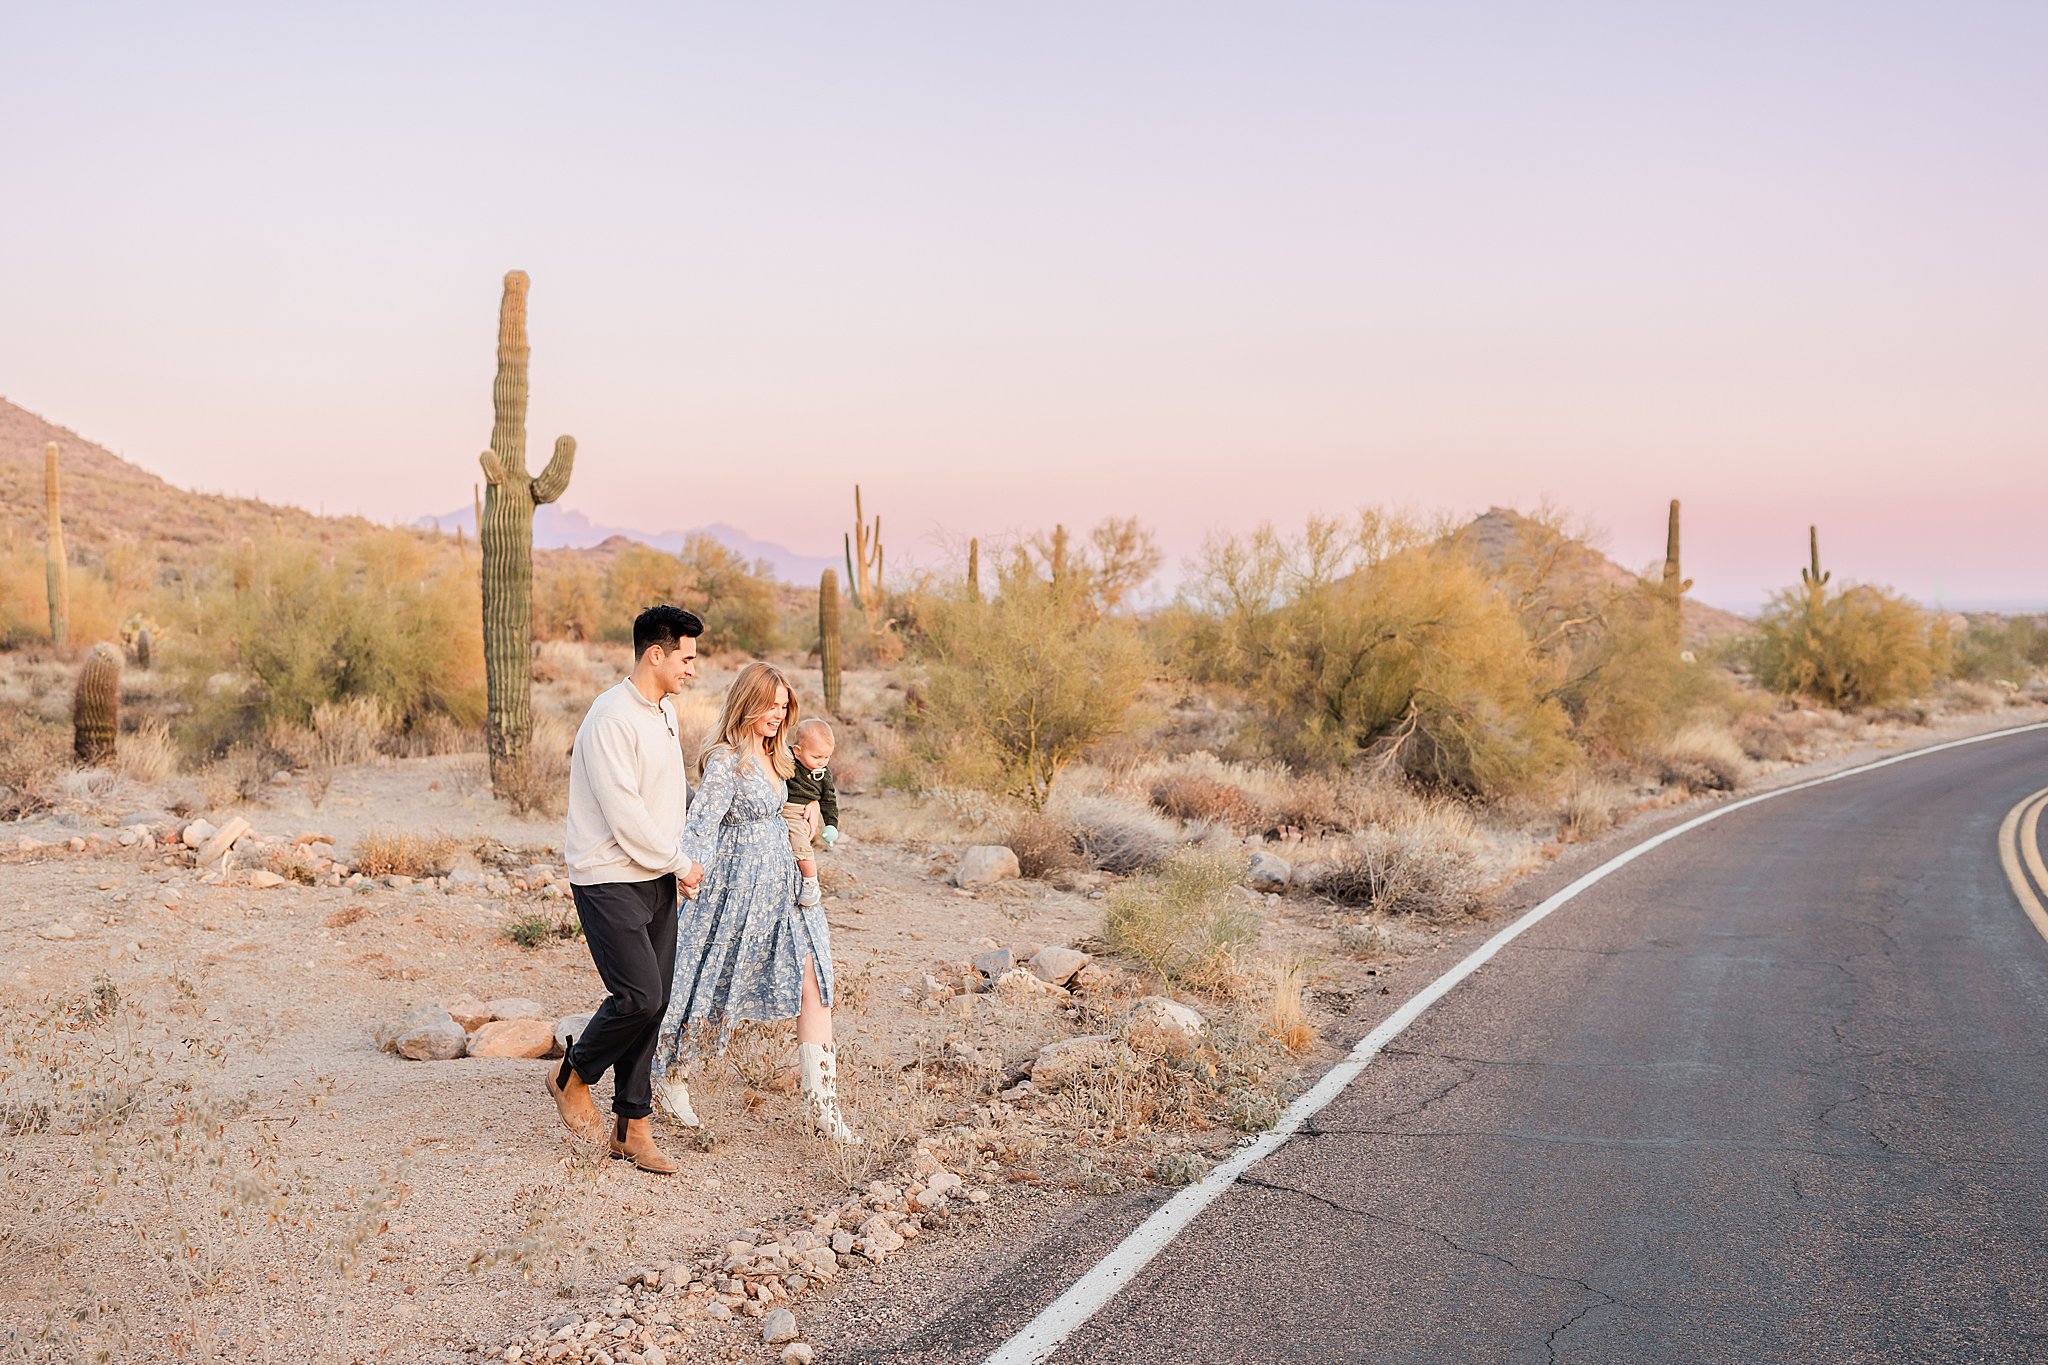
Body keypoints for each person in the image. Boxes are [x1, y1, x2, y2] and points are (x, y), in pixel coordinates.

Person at [650, 661, 860, 1144]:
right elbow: (701, 823)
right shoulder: (727, 761)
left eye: (784, 706)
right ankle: (671, 1074)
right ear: (747, 702)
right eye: (770, 704)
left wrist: (810, 816)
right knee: (709, 984)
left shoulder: (780, 754)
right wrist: (688, 874)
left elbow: (803, 798)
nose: (778, 713)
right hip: (734, 891)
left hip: (785, 888)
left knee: (816, 979)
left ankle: (824, 1106)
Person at [547, 604, 706, 1176]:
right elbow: (624, 813)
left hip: (655, 876)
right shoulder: (611, 716)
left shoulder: (662, 712)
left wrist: (678, 861)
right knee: (638, 995)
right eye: (686, 658)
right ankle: (573, 1074)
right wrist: (681, 862)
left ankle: (631, 1128)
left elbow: (664, 798)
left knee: (655, 1003)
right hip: (608, 875)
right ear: (655, 654)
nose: (692, 669)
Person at [781, 717, 841, 908]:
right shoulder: (789, 759)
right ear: (798, 751)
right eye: (816, 757)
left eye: (826, 757)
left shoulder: (824, 774)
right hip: (782, 807)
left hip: (799, 814)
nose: (822, 762)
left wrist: (831, 824)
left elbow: (829, 800)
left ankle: (810, 882)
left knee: (801, 846)